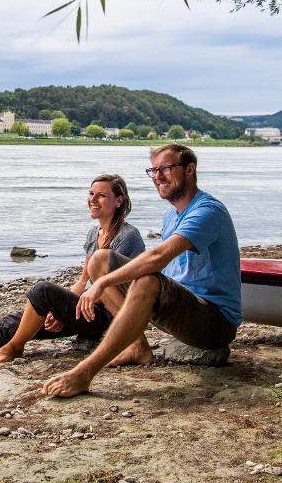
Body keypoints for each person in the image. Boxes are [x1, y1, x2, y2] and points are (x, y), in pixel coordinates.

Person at [42, 143, 241, 398]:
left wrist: (102, 285)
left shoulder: (207, 211)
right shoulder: (172, 216)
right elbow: (169, 271)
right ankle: (137, 347)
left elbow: (157, 257)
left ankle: (84, 372)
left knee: (146, 280)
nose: (158, 176)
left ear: (189, 169)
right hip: (182, 312)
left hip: (215, 323)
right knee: (99, 261)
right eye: (154, 170)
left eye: (166, 169)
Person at [0, 174, 145, 364]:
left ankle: (15, 347)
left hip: (112, 318)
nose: (93, 199)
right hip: (88, 310)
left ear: (119, 200)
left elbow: (117, 290)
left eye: (101, 195)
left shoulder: (128, 236)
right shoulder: (94, 234)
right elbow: (82, 282)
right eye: (91, 193)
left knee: (42, 291)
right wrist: (62, 309)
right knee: (21, 321)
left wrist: (68, 310)